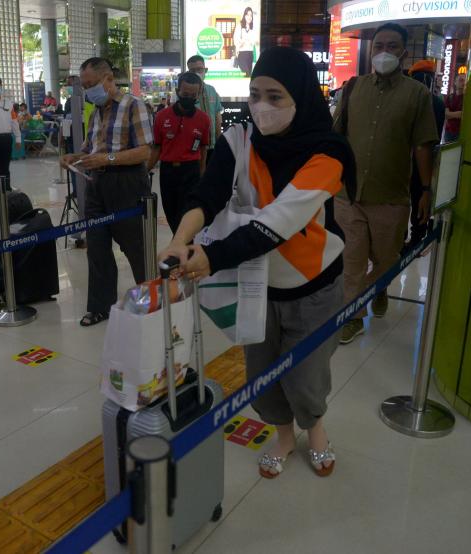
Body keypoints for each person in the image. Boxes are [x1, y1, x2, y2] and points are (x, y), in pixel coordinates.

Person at [159, 47, 356, 479]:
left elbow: (276, 224)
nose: (261, 106)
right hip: (257, 283)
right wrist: (179, 239)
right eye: (255, 94)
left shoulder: (328, 153)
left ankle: (315, 428)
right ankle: (283, 435)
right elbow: (207, 195)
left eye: (275, 97)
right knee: (263, 375)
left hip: (314, 285)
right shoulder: (239, 140)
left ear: (301, 98)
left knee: (307, 376)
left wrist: (209, 257)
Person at [332, 23, 438, 344]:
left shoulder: (418, 95)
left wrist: (426, 190)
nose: (384, 52)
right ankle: (353, 317)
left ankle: (379, 289)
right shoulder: (352, 89)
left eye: (392, 46)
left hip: (391, 197)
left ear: (403, 53)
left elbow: (423, 145)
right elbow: (336, 137)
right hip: (348, 195)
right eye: (379, 46)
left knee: (387, 259)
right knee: (351, 263)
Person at [60, 57, 153, 327]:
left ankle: (150, 303)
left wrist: (107, 160)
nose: (88, 92)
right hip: (96, 187)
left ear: (109, 79)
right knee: (97, 249)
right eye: (84, 87)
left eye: (91, 84)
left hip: (127, 184)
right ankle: (100, 307)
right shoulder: (96, 112)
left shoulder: (134, 106)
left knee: (137, 250)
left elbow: (145, 151)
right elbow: (92, 151)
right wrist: (74, 157)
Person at [147, 72, 210, 232]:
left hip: (191, 172)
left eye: (193, 95)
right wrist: (144, 170)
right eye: (185, 94)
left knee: (187, 215)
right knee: (171, 214)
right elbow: (157, 147)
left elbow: (203, 148)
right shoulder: (161, 116)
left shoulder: (203, 119)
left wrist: (202, 175)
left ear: (198, 94)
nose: (189, 97)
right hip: (168, 172)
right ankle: (180, 247)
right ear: (177, 91)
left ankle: (183, 249)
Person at [406, 61, 446, 250]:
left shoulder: (411, 100)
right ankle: (417, 235)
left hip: (411, 158)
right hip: (428, 159)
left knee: (411, 196)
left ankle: (410, 237)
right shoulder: (437, 102)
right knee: (420, 196)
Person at [187, 55, 225, 162]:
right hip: (193, 148)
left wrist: (219, 143)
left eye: (199, 69)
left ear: (205, 70)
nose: (196, 73)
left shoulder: (212, 90)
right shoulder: (185, 93)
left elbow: (217, 118)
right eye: (192, 70)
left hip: (212, 146)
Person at [234, 7, 258, 77]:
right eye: (247, 15)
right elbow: (236, 39)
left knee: (249, 76)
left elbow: (255, 41)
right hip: (242, 54)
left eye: (251, 15)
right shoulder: (240, 26)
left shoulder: (253, 28)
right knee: (246, 74)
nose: (249, 17)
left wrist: (251, 41)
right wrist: (242, 41)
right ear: (244, 15)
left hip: (250, 54)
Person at [444, 73, 466, 142]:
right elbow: (446, 115)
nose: (463, 83)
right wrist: (459, 114)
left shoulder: (467, 98)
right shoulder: (450, 97)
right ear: (455, 82)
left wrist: (451, 114)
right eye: (461, 80)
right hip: (448, 131)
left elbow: (463, 114)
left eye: (465, 80)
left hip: (460, 132)